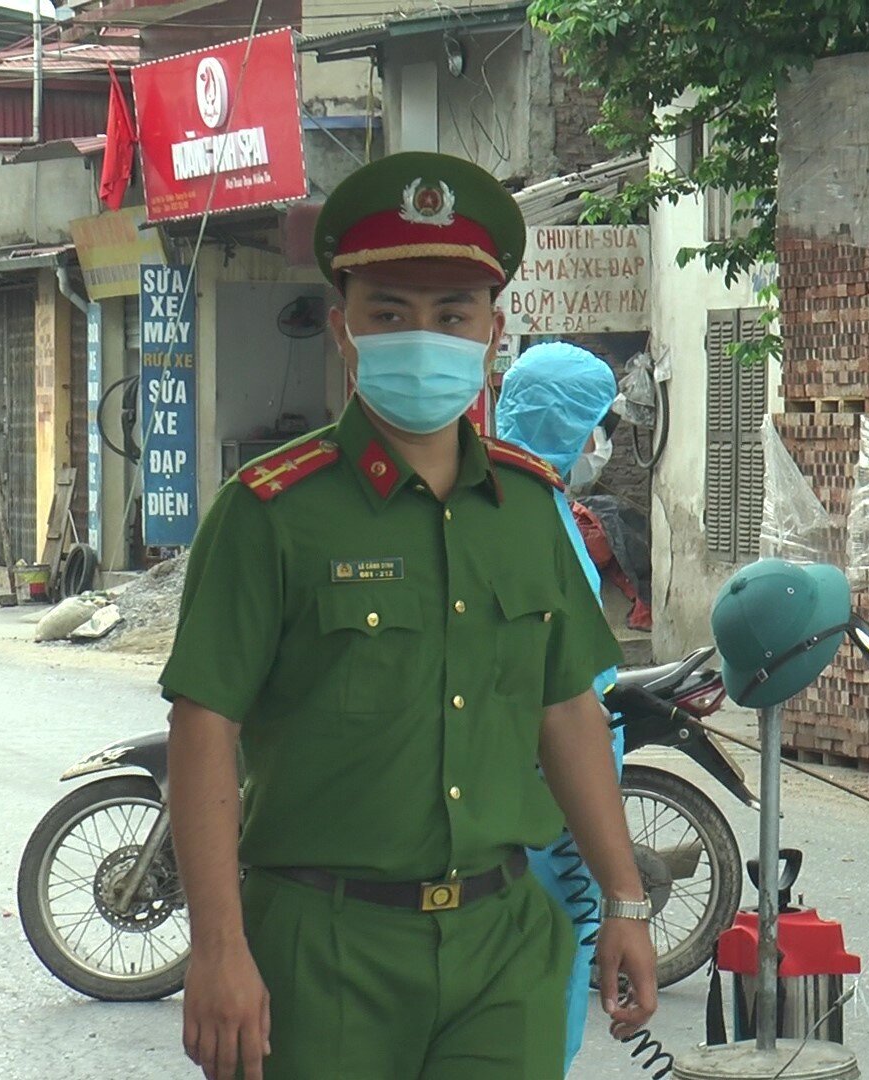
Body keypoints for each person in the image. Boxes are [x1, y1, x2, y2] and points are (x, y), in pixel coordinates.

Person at [161, 151, 657, 1080]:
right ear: (345, 330)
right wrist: (217, 947)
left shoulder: (528, 508)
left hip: (502, 944)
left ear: (491, 333)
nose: (420, 336)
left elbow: (568, 714)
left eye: (450, 315)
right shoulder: (269, 511)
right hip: (323, 948)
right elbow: (203, 726)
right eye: (389, 311)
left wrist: (624, 899)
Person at [493, 341, 629, 1076]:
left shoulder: (526, 498)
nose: (598, 442)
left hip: (540, 769)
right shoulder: (531, 510)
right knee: (561, 939)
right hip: (552, 773)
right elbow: (569, 676)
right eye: (593, 423)